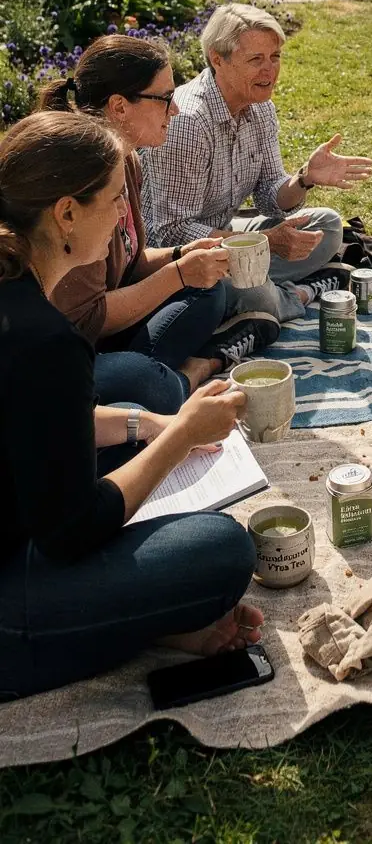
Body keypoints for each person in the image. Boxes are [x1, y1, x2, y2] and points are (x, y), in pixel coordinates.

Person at [0, 111, 262, 700]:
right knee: (222, 549)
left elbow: (39, 426)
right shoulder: (45, 340)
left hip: (18, 518)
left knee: (134, 412)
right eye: (117, 200)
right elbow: (74, 530)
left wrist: (152, 424)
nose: (125, 216)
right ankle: (106, 628)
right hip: (13, 585)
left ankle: (128, 619)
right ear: (66, 212)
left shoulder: (18, 302)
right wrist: (177, 439)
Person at [40, 36, 277, 416]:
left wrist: (183, 256)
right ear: (119, 106)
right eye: (164, 98)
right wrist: (178, 274)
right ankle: (194, 370)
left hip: (108, 328)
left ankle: (157, 375)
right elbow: (87, 318)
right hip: (66, 348)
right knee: (145, 383)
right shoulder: (81, 180)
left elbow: (130, 263)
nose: (177, 109)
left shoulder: (127, 159)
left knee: (209, 289)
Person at [142, 4, 372, 325]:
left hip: (224, 233)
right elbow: (171, 233)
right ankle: (298, 295)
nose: (270, 71)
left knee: (328, 226)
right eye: (255, 60)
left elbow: (269, 197)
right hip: (178, 257)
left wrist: (305, 178)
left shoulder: (260, 108)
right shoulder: (190, 123)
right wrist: (266, 244)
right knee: (257, 296)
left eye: (275, 57)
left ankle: (262, 287)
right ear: (217, 59)